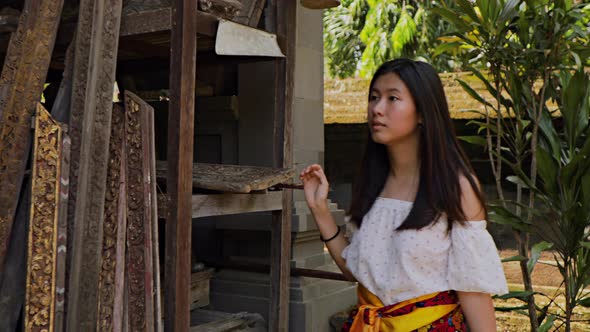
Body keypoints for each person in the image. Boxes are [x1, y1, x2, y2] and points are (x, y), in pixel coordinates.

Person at [300, 58, 508, 331]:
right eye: (374, 97)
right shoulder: (374, 183)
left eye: (392, 98)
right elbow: (357, 272)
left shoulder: (456, 188)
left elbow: (474, 292)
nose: (377, 109)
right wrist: (320, 210)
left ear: (422, 112)